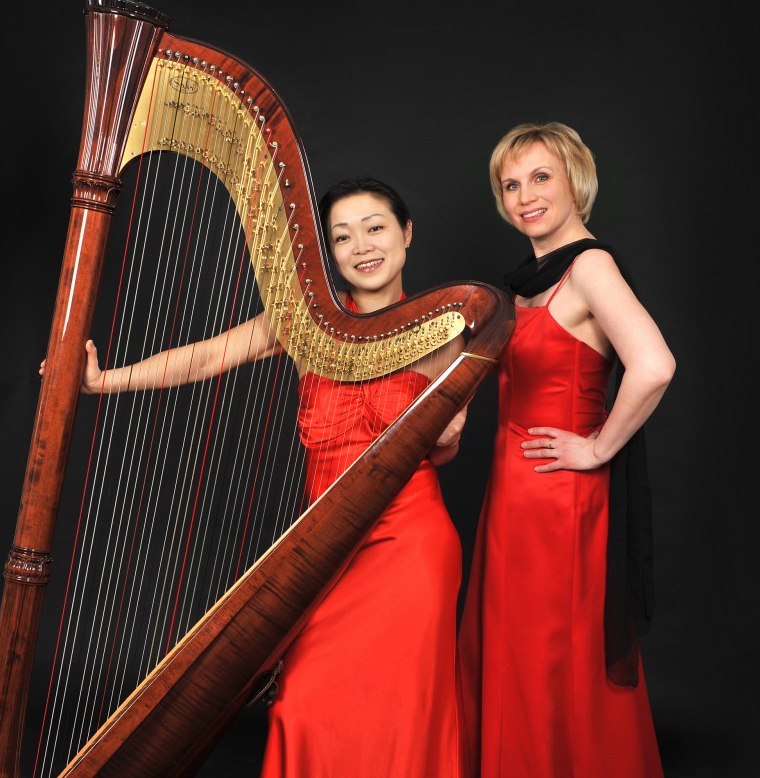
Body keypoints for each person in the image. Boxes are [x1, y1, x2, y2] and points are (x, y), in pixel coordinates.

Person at [42, 177, 467, 777]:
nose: (362, 247)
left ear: (407, 233)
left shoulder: (445, 331)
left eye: (375, 228)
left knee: (404, 708)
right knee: (305, 704)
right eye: (342, 237)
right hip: (328, 546)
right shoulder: (309, 322)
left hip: (412, 545)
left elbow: (446, 451)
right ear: (328, 251)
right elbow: (207, 356)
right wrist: (104, 381)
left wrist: (445, 433)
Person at [457, 122, 675, 777]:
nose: (525, 196)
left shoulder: (589, 266)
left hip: (560, 500)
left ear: (576, 182)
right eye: (510, 185)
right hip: (512, 496)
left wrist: (598, 448)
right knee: (516, 651)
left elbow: (654, 365)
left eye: (540, 177)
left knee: (554, 654)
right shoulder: (526, 283)